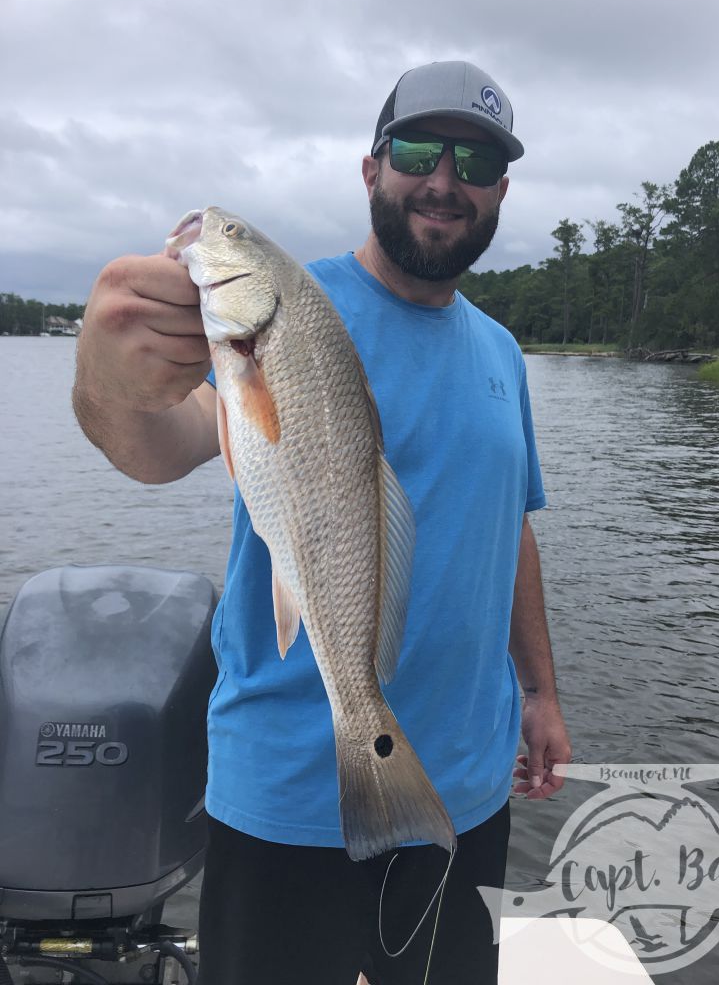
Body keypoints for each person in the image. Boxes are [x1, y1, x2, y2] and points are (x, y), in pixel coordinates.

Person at [73, 60, 572, 985]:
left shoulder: (502, 349)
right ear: (372, 166)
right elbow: (157, 444)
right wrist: (107, 379)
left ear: (502, 190)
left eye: (475, 164)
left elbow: (513, 529)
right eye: (420, 152)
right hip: (286, 795)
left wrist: (540, 692)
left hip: (465, 790)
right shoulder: (284, 318)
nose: (444, 181)